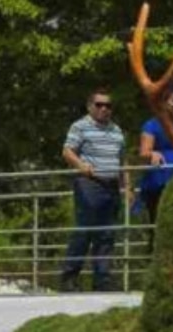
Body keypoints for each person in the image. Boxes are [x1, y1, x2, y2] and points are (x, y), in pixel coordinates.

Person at [61, 89, 131, 292]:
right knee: (85, 230)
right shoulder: (80, 126)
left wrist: (127, 186)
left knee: (107, 234)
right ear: (90, 106)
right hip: (89, 183)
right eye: (99, 105)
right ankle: (70, 277)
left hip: (111, 185)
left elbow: (123, 160)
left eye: (108, 105)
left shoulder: (116, 130)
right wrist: (81, 166)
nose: (104, 109)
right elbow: (67, 151)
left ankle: (102, 279)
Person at [137, 88, 173, 250]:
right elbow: (143, 152)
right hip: (158, 182)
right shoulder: (151, 125)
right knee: (159, 224)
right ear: (164, 104)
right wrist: (152, 153)